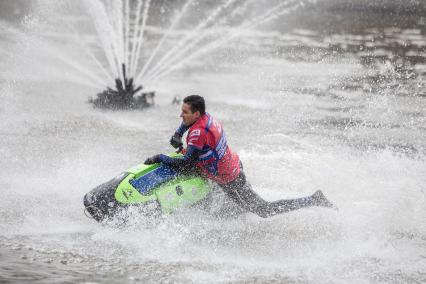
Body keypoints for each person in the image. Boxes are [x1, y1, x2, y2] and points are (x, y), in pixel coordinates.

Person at [144, 95, 334, 218]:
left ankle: (313, 199)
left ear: (196, 113)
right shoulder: (205, 118)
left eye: (184, 112)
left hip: (229, 179)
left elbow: (187, 164)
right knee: (231, 207)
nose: (181, 115)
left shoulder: (198, 132)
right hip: (231, 164)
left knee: (263, 210)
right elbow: (187, 126)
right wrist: (178, 134)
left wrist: (159, 158)